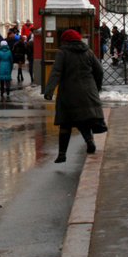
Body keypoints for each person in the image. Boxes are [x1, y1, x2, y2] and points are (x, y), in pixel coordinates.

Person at [43, 28, 104, 163]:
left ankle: (62, 154)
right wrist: (96, 87)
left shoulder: (62, 53)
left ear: (64, 40)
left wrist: (49, 91)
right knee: (84, 119)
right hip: (88, 91)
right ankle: (90, 142)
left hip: (68, 92)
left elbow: (56, 72)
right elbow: (99, 70)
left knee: (66, 123)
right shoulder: (88, 52)